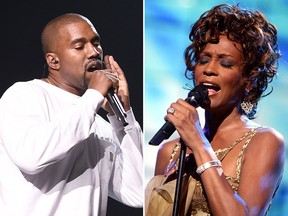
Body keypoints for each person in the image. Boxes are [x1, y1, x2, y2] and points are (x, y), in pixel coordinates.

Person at [145, 4, 285, 216]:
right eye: (203, 60)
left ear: (249, 80)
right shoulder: (169, 152)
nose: (209, 70)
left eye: (226, 63)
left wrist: (199, 144)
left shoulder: (265, 142)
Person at [0, 13, 143, 216]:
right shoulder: (24, 95)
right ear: (54, 61)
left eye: (96, 43)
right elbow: (31, 157)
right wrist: (93, 96)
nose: (94, 52)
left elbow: (136, 193)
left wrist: (123, 117)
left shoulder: (99, 123)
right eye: (79, 46)